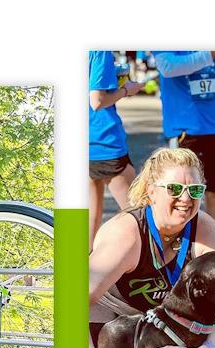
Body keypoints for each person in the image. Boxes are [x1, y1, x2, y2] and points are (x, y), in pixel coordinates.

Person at [89, 147, 215, 348]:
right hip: (113, 330)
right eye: (174, 188)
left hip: (158, 324)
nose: (186, 199)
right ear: (151, 192)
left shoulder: (204, 229)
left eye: (195, 190)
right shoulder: (125, 234)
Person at [154, 51, 215, 225]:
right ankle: (181, 248)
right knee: (182, 198)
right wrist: (210, 54)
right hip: (185, 130)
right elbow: (167, 67)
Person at [89, 50, 144, 247]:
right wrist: (127, 90)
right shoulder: (99, 50)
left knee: (89, 219)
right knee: (141, 216)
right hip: (104, 141)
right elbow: (97, 101)